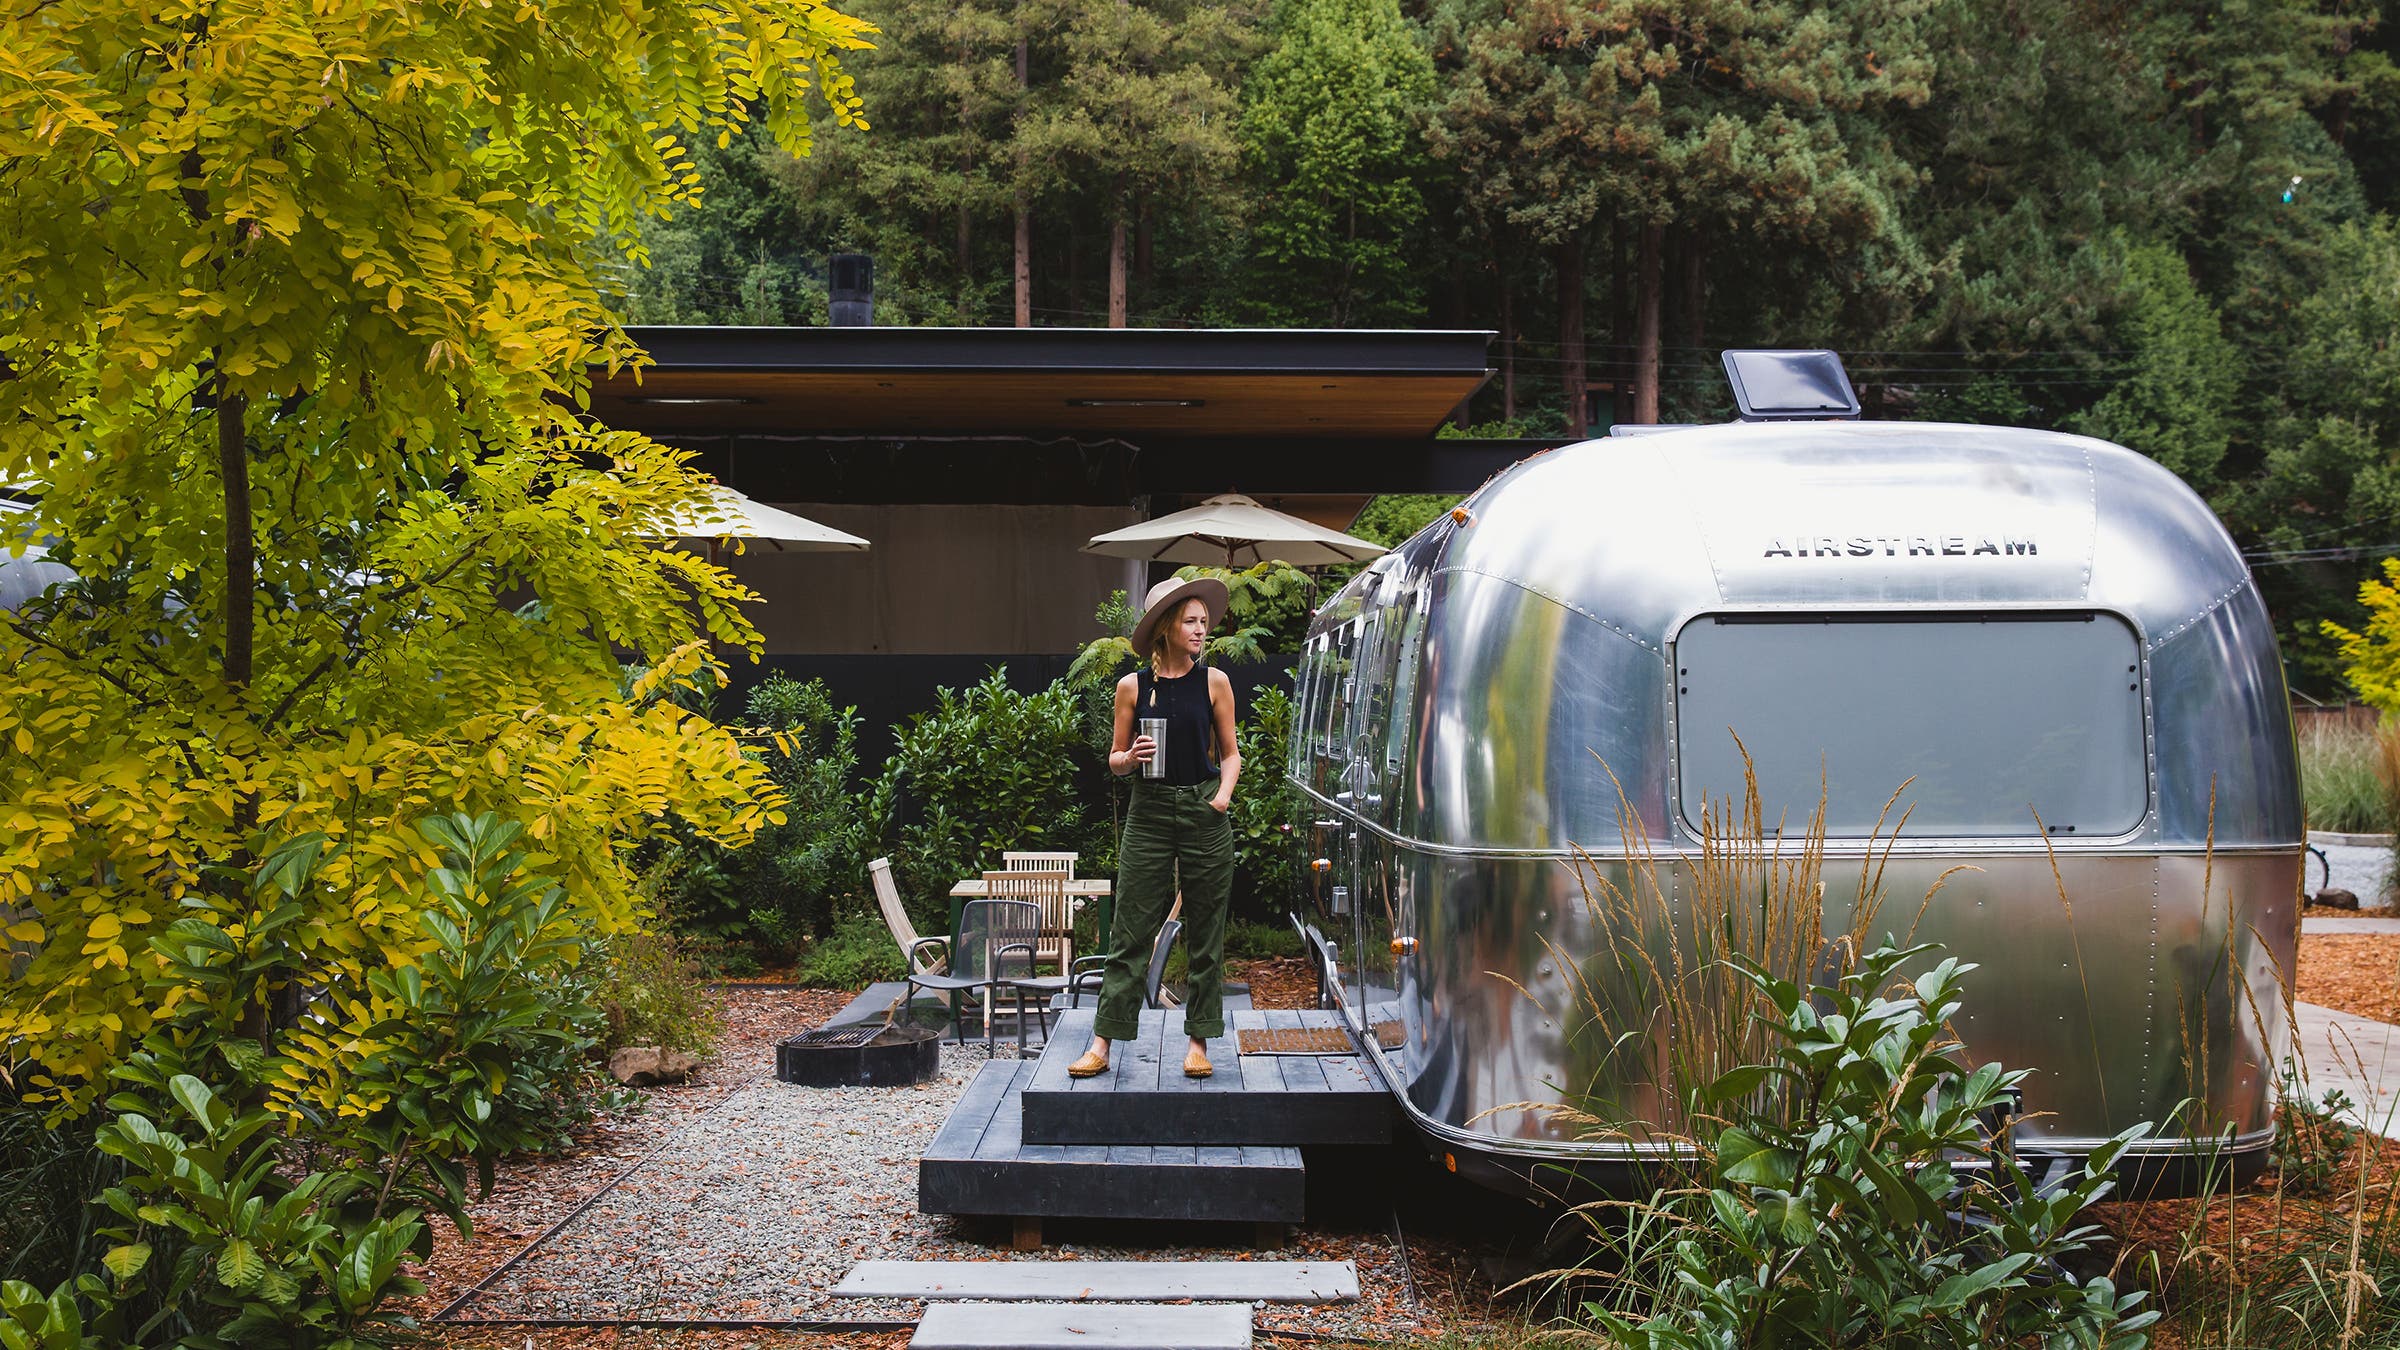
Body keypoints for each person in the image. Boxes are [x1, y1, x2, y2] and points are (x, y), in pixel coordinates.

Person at [1068, 575, 1242, 1080]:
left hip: (1204, 809)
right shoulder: (1132, 687)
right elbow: (1115, 759)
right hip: (1148, 813)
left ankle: (1199, 1041)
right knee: (1131, 928)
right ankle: (1102, 1041)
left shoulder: (1214, 682)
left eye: (1204, 622)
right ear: (1166, 627)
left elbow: (1230, 754)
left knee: (1206, 931)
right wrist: (1129, 758)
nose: (1201, 630)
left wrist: (1221, 798)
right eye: (1191, 621)